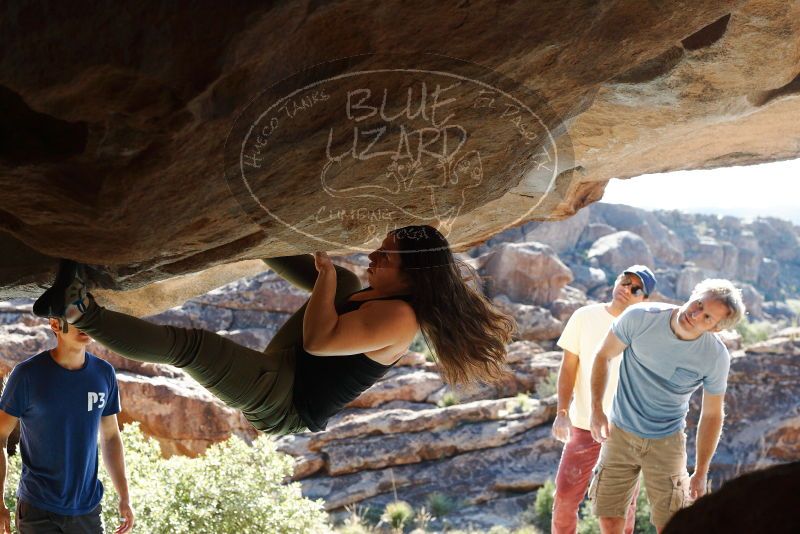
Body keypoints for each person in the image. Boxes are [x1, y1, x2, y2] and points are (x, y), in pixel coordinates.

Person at [33, 225, 514, 435]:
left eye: (385, 256)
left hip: (285, 403)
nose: (374, 256)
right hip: (292, 366)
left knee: (192, 347)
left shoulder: (401, 318)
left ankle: (77, 310)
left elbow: (320, 341)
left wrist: (325, 277)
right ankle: (251, 234)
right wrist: (331, 278)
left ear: (413, 275)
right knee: (344, 281)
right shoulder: (393, 296)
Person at [588, 279, 746, 533]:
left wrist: (701, 471)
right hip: (620, 433)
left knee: (673, 525)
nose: (694, 314)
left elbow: (712, 414)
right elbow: (604, 355)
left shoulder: (715, 357)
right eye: (698, 303)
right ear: (693, 293)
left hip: (667, 441)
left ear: (715, 328)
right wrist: (596, 409)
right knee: (609, 518)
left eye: (706, 317)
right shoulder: (640, 317)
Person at [0, 318, 134, 534]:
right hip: (37, 510)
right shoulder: (27, 375)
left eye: (88, 317)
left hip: (87, 511)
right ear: (55, 325)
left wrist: (125, 497)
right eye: (75, 319)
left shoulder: (104, 374)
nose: (85, 324)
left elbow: (110, 437)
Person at [551, 266, 657, 534]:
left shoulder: (645, 331)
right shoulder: (584, 316)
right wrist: (562, 412)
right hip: (584, 427)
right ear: (616, 280)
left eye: (636, 289)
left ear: (644, 300)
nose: (627, 289)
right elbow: (568, 368)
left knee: (622, 509)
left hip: (626, 434)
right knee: (564, 500)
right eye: (625, 281)